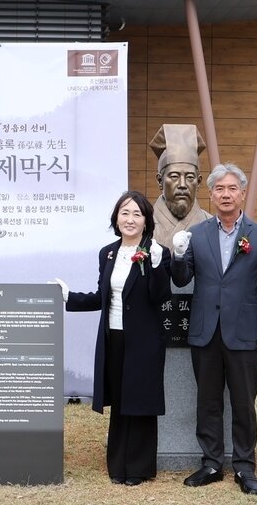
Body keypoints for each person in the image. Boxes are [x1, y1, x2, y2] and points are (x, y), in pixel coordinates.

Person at [169, 163, 257, 496]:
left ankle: (245, 466)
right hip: (205, 331)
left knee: (245, 402)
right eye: (219, 189)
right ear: (211, 194)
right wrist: (178, 255)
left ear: (243, 193)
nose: (226, 194)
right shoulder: (198, 234)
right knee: (207, 400)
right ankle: (211, 462)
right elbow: (181, 279)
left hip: (246, 333)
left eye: (232, 188)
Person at [56, 191, 171, 485]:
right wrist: (68, 297)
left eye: (136, 214)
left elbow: (161, 297)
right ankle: (118, 465)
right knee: (120, 400)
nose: (130, 219)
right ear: (116, 218)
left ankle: (140, 468)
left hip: (144, 341)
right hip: (113, 337)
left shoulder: (156, 252)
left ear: (146, 221)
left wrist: (157, 266)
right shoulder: (107, 252)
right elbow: (102, 297)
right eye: (124, 213)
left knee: (141, 402)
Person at [148, 124, 210, 247]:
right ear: (160, 181)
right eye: (174, 176)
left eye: (190, 177)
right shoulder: (144, 223)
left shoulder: (211, 224)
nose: (182, 185)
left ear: (198, 182)